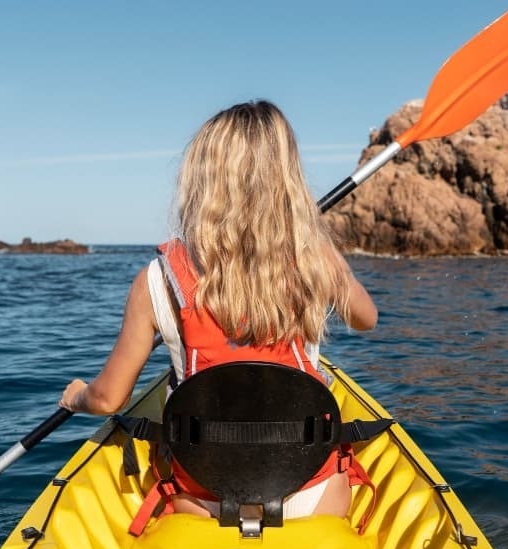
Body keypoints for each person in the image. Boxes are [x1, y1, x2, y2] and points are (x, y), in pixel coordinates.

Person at [60, 100, 377, 522]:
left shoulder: (157, 279)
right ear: (288, 180)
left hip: (203, 493)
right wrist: (324, 253)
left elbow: (107, 399)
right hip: (310, 490)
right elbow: (366, 319)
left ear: (202, 178)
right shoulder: (316, 258)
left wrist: (76, 396)